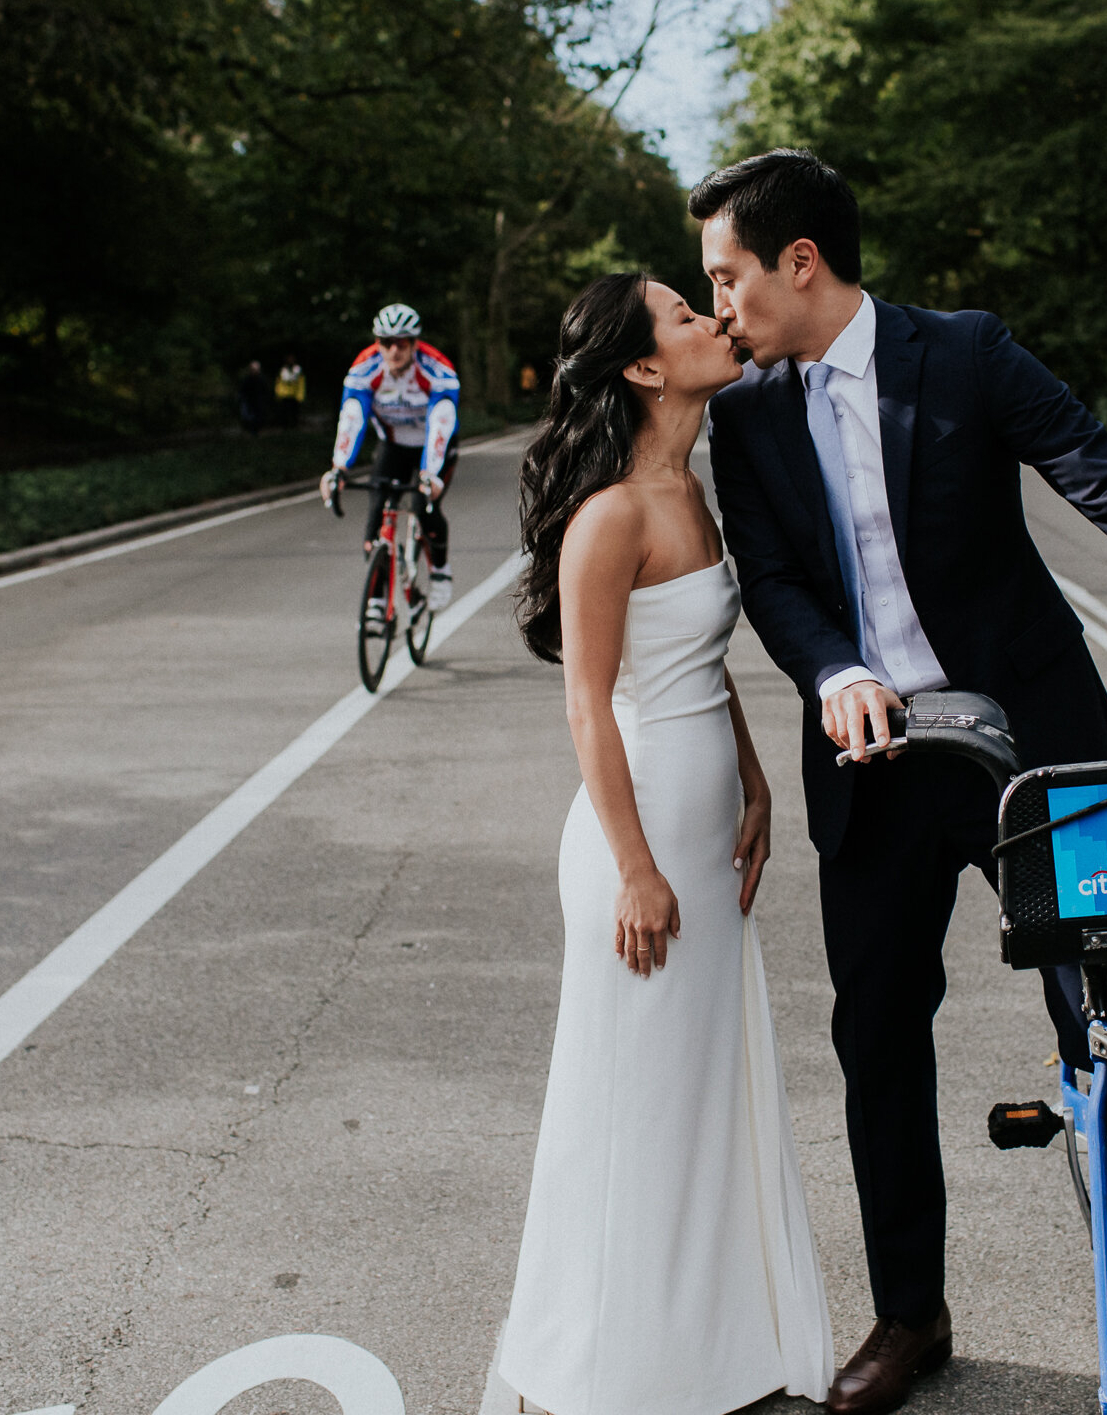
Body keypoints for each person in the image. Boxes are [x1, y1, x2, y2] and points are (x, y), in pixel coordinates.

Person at [700, 149, 1107, 1415]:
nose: (720, 306)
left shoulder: (962, 355)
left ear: (801, 262)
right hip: (876, 763)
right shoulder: (742, 415)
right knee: (877, 1034)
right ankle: (912, 1315)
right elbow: (775, 583)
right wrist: (836, 668)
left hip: (1042, 749)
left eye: (728, 277)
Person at [481, 274, 832, 1415]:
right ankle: (613, 1363)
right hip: (635, 845)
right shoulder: (611, 517)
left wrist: (753, 769)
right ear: (641, 366)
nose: (712, 322)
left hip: (705, 822)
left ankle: (706, 1338)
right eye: (685, 316)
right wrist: (635, 864)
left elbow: (699, 659)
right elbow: (590, 702)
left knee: (697, 1090)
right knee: (631, 1099)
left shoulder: (694, 495)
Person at [319, 303, 459, 608]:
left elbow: (440, 424)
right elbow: (352, 419)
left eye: (402, 343)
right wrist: (338, 468)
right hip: (393, 445)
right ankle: (378, 601)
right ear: (377, 343)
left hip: (432, 446)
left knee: (425, 507)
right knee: (375, 519)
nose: (393, 351)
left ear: (415, 344)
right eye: (386, 343)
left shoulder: (437, 371)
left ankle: (440, 570)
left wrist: (430, 474)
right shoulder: (364, 369)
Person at [236, 358, 270, 436]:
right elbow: (242, 390)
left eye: (255, 369)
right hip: (249, 402)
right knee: (249, 418)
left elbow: (265, 391)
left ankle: (256, 432)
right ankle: (251, 431)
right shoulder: (247, 380)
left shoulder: (262, 380)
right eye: (252, 369)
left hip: (259, 402)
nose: (254, 371)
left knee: (258, 418)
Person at [273, 354, 307, 427]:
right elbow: (279, 382)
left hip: (295, 395)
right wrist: (278, 393)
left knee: (294, 413)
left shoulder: (298, 370)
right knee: (284, 412)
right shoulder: (282, 370)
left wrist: (300, 395)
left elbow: (301, 383)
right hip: (284, 395)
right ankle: (285, 427)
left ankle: (294, 427)